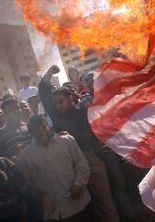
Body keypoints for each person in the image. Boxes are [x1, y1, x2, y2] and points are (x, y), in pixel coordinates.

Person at [39, 65, 119, 222]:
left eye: (61, 101)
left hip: (89, 157)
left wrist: (70, 138)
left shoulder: (83, 113)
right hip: (70, 164)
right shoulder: (56, 115)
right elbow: (43, 95)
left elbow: (89, 136)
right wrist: (48, 74)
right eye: (55, 103)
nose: (57, 106)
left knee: (105, 200)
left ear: (70, 98)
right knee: (82, 205)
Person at [17, 115, 93, 221]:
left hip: (78, 205)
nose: (42, 132)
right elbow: (28, 182)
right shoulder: (26, 155)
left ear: (48, 125)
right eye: (37, 130)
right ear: (32, 133)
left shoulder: (67, 141)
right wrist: (42, 197)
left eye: (44, 127)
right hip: (54, 213)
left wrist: (78, 185)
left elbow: (82, 166)